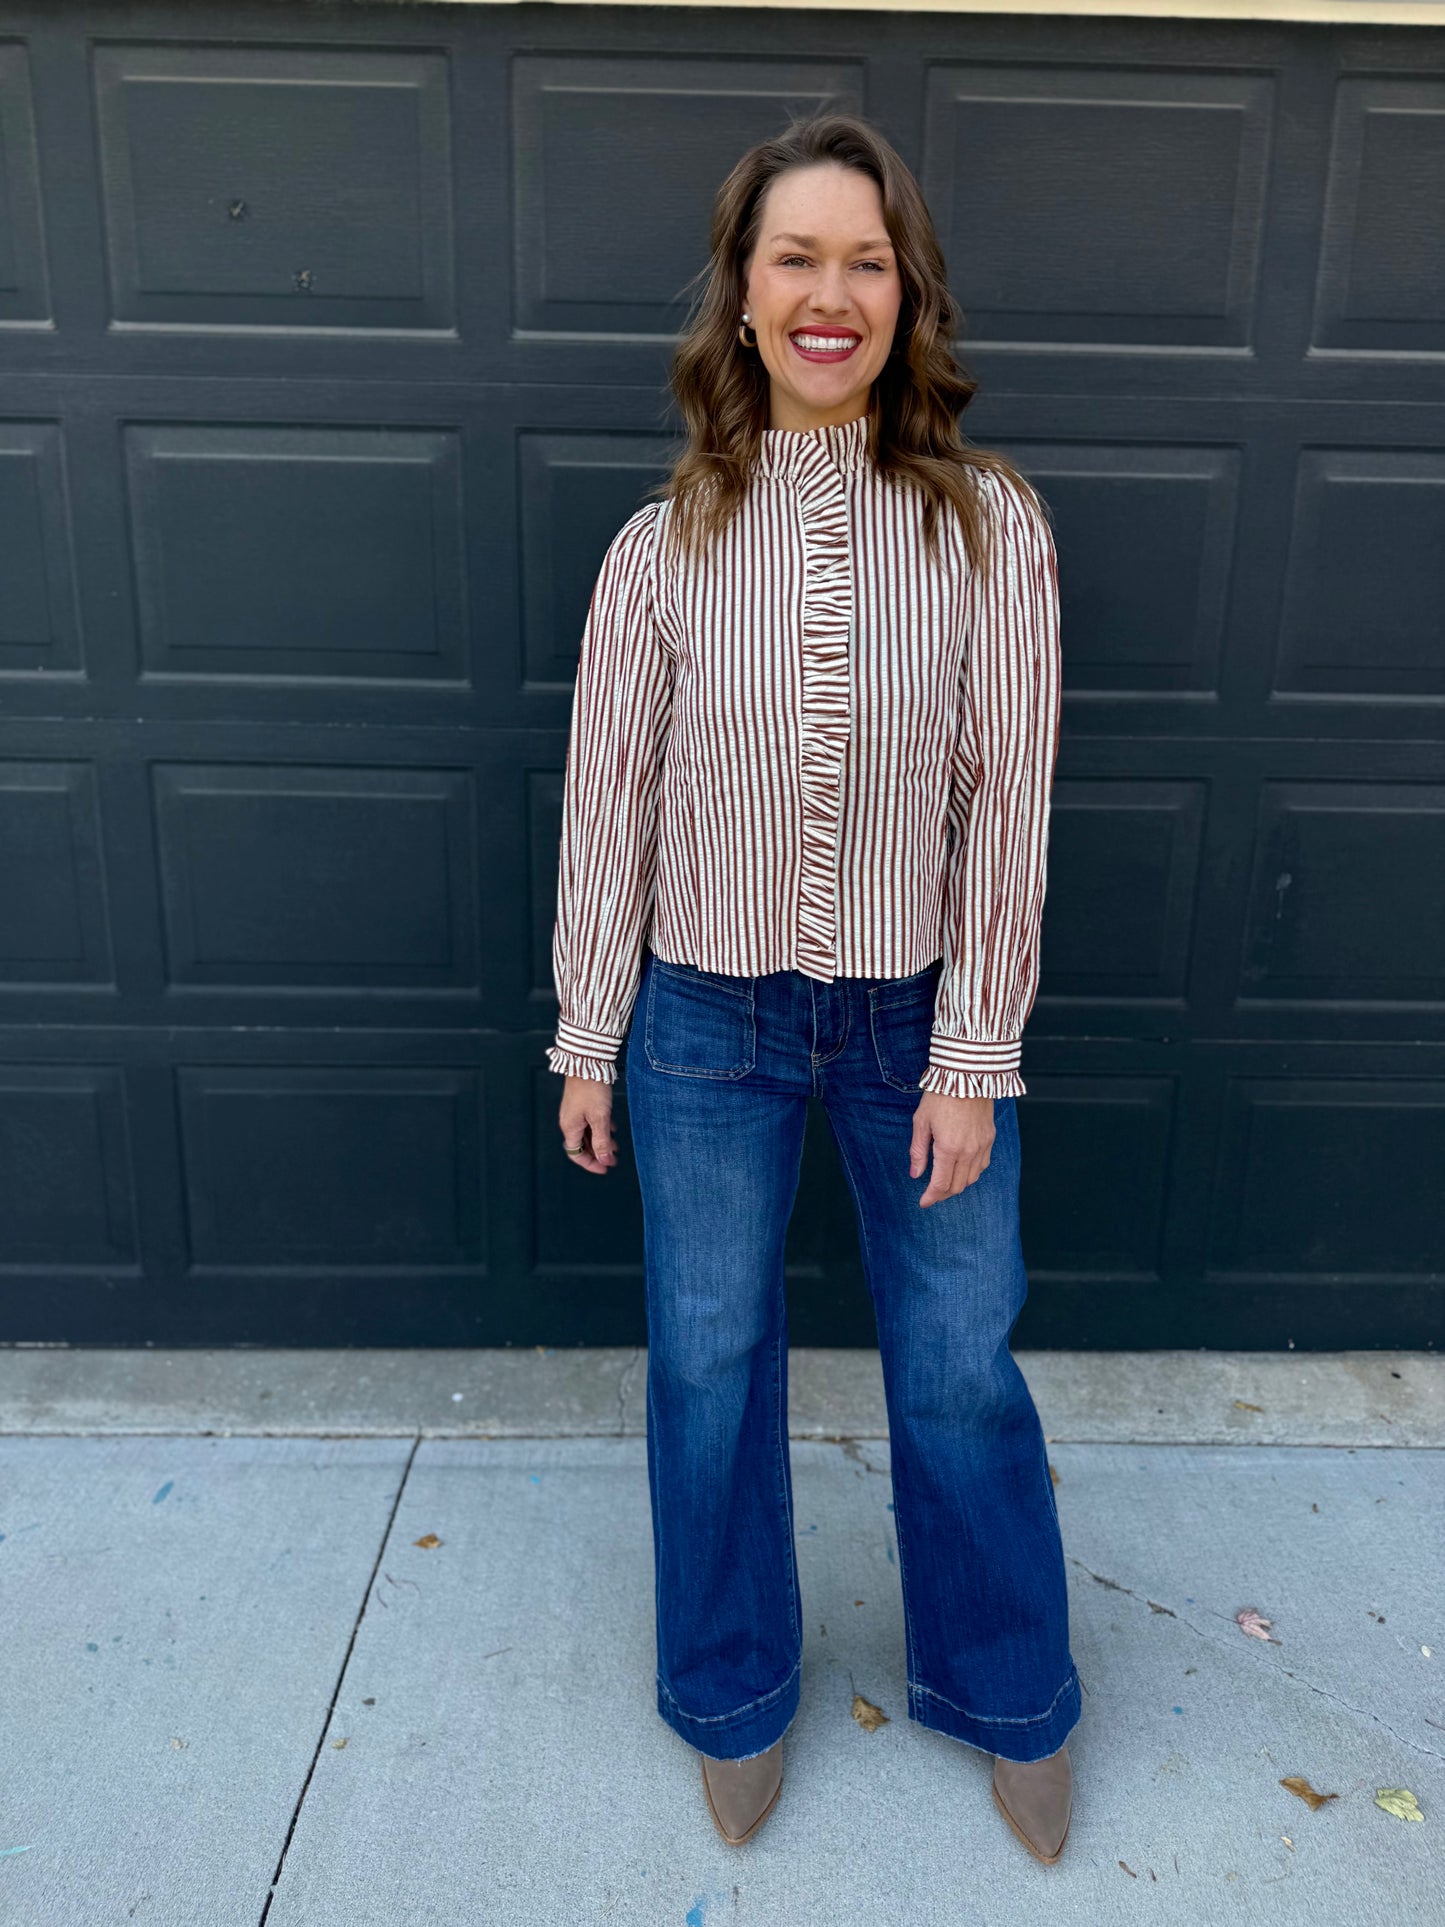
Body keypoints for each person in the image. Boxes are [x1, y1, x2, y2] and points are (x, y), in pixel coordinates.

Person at [545, 112, 1078, 1864]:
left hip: (914, 1021)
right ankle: (729, 1693)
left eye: (866, 259)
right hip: (706, 1023)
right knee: (707, 1365)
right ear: (745, 292)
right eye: (796, 259)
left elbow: (1010, 794)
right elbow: (607, 802)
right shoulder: (660, 548)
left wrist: (974, 1051)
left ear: (907, 294)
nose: (830, 293)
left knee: (953, 1367)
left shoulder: (989, 529)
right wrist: (589, 1034)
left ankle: (1008, 1692)